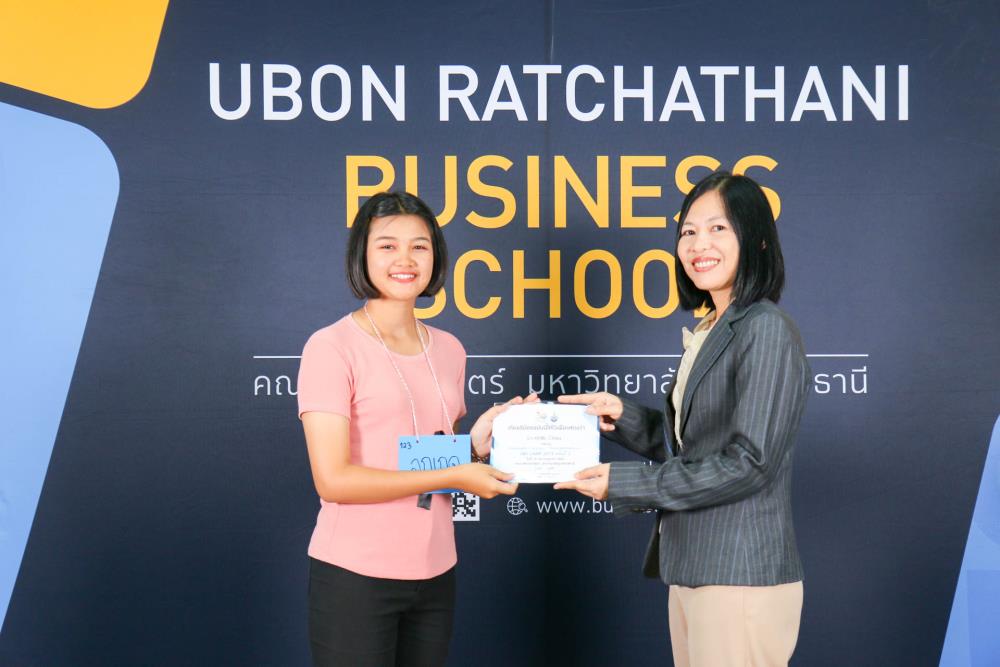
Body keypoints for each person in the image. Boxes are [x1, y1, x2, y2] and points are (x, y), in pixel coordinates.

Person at [555, 171, 810, 667]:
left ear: (757, 239)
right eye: (688, 231)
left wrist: (626, 484)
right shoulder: (715, 325)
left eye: (718, 229)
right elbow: (697, 445)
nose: (698, 245)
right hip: (697, 570)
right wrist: (622, 416)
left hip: (739, 576)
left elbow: (749, 463)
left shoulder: (765, 329)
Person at [297, 191, 530, 667]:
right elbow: (333, 480)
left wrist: (475, 445)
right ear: (362, 255)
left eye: (419, 246)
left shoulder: (449, 348)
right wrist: (459, 472)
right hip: (355, 575)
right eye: (387, 246)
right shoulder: (331, 347)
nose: (405, 259)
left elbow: (420, 456)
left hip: (436, 570)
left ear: (435, 256)